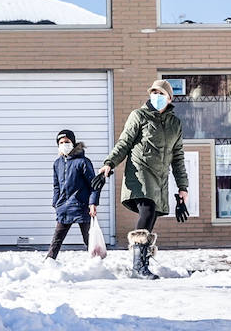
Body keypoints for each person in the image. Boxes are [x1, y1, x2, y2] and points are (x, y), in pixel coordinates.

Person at [94, 79, 190, 280]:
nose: (156, 96)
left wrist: (183, 187)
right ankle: (138, 267)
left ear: (169, 98)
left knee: (151, 216)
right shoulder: (139, 116)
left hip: (160, 178)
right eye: (153, 92)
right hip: (139, 172)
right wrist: (110, 163)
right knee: (146, 209)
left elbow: (178, 157)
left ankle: (142, 261)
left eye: (161, 93)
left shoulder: (175, 123)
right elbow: (125, 142)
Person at [49, 129, 100, 260]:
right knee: (56, 240)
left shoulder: (83, 162)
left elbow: (94, 185)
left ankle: (97, 264)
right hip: (63, 208)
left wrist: (92, 203)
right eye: (61, 142)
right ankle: (49, 263)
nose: (64, 144)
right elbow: (56, 186)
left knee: (89, 239)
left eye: (67, 141)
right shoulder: (57, 163)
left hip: (81, 207)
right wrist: (56, 203)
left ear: (73, 142)